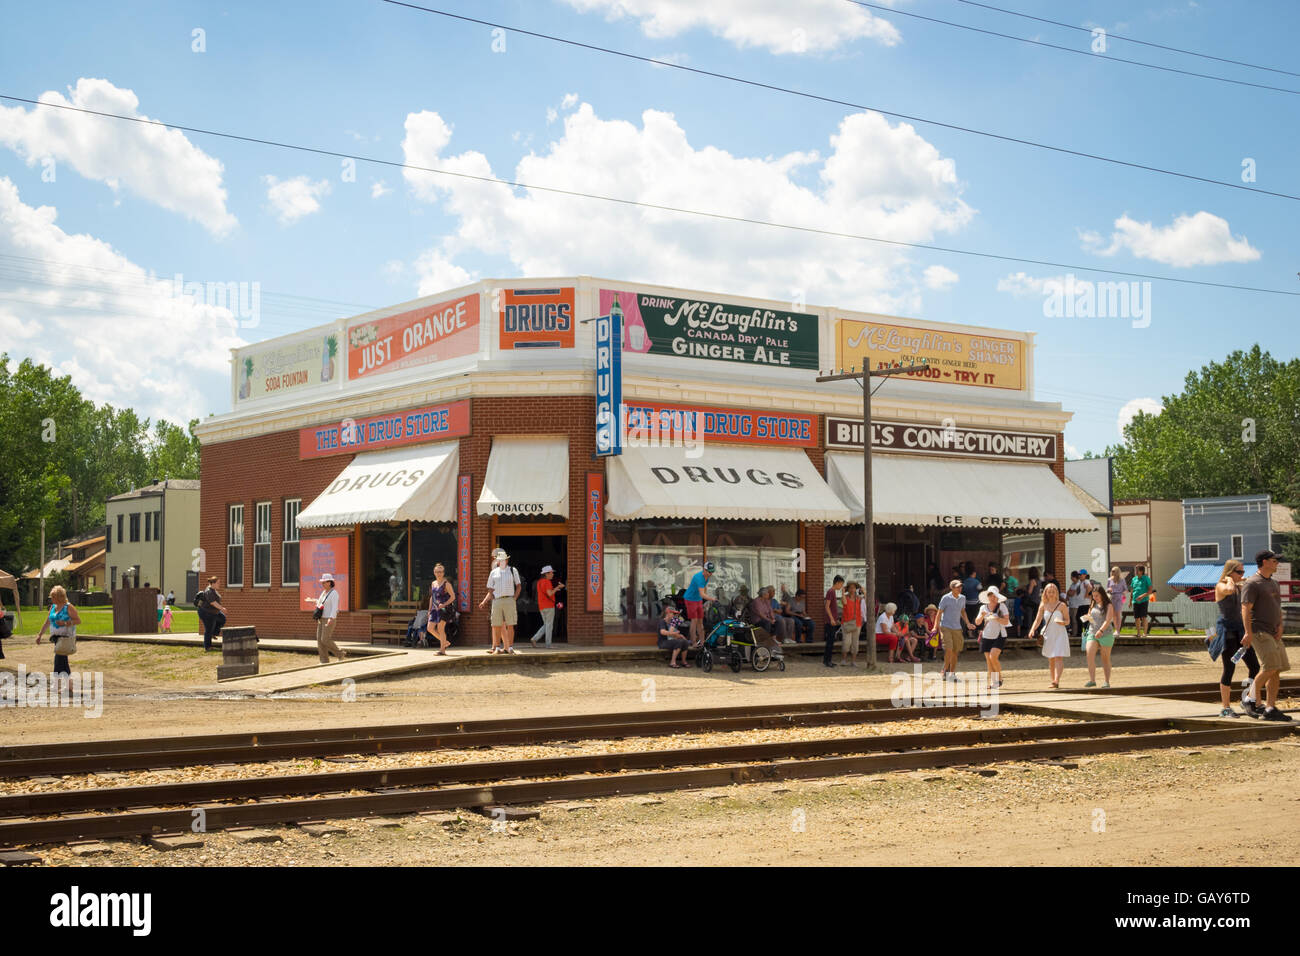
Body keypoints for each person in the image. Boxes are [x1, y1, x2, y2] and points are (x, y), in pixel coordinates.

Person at [1242, 550, 1291, 722]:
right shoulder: (1252, 583)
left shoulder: (1274, 583)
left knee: (1276, 669)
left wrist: (1280, 625)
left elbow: (1277, 607)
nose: (1277, 563)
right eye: (1274, 560)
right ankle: (1249, 698)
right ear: (1264, 562)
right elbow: (1246, 609)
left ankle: (1270, 708)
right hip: (1259, 631)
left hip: (1273, 631)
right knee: (1269, 667)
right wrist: (1248, 632)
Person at [1213, 559, 1259, 718]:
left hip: (1240, 631)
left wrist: (1242, 580)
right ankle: (1225, 708)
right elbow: (1229, 589)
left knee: (1255, 666)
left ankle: (1249, 699)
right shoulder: (1221, 586)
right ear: (1230, 572)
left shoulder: (1239, 587)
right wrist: (1231, 579)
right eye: (1239, 572)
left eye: (1243, 572)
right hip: (1227, 632)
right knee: (1229, 668)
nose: (1242, 575)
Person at [1028, 582, 1071, 689]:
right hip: (1048, 633)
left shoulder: (1062, 605)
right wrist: (1032, 630)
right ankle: (1053, 680)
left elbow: (1068, 621)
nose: (1051, 594)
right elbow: (1038, 620)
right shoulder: (1043, 605)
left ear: (1056, 593)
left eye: (1053, 592)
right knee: (1051, 658)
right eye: (1049, 592)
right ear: (1045, 593)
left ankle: (1056, 680)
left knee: (1058, 657)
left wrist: (1063, 622)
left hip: (1060, 633)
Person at [479, 551, 522, 654]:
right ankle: (497, 647)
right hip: (497, 599)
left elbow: (518, 585)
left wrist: (514, 598)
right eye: (501, 560)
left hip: (509, 599)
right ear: (498, 561)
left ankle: (510, 647)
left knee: (510, 624)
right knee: (496, 624)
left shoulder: (512, 570)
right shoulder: (493, 572)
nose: (503, 561)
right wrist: (489, 598)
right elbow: (490, 587)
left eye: (504, 559)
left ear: (507, 560)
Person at [35, 585, 81, 682]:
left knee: (59, 660)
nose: (51, 598)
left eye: (53, 596)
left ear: (60, 597)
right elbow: (47, 621)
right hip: (56, 638)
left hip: (66, 637)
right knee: (62, 661)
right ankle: (67, 684)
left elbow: (78, 620)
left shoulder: (68, 607)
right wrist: (40, 634)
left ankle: (61, 683)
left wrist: (65, 623)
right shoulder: (53, 607)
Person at [974, 587, 1010, 688]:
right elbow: (977, 622)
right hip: (986, 636)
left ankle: (999, 678)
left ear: (998, 597)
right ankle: (995, 682)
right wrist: (982, 616)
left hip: (999, 635)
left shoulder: (1002, 607)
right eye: (991, 596)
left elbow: (1006, 621)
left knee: (993, 657)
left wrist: (997, 618)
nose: (993, 598)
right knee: (989, 660)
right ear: (988, 596)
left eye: (995, 596)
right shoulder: (983, 608)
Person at [937, 580, 972, 681]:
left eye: (961, 587)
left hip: (957, 627)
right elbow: (939, 613)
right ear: (952, 588)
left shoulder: (963, 598)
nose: (960, 588)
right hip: (945, 626)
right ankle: (945, 670)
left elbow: (963, 611)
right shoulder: (945, 598)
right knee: (949, 649)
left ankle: (951, 673)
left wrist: (968, 623)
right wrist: (936, 626)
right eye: (958, 587)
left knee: (955, 652)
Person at [1082, 584, 1115, 687]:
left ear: (1102, 595)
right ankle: (1092, 680)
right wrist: (1086, 618)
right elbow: (1090, 616)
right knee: (1089, 655)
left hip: (1106, 633)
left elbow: (1108, 619)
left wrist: (1101, 630)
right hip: (1092, 632)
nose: (1094, 598)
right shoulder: (1093, 604)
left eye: (1097, 596)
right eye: (1093, 596)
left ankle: (1106, 682)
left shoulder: (1109, 605)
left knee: (1105, 659)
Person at [683, 561, 717, 649]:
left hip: (698, 600)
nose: (711, 573)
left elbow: (702, 593)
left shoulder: (707, 577)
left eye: (712, 572)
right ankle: (693, 642)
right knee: (694, 621)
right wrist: (712, 599)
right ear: (704, 570)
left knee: (700, 622)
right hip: (690, 599)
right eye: (709, 571)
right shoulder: (699, 578)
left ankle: (702, 642)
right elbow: (702, 594)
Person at [314, 573, 346, 663]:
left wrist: (331, 618)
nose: (322, 584)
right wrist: (314, 601)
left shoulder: (334, 593)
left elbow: (334, 607)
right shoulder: (324, 592)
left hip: (329, 618)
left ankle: (340, 653)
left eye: (324, 582)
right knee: (319, 640)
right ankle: (324, 660)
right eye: (322, 582)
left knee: (325, 639)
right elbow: (321, 603)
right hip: (321, 619)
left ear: (329, 582)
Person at [529, 566, 564, 648]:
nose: (552, 574)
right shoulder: (547, 582)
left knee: (547, 625)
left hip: (542, 606)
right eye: (551, 573)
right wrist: (558, 587)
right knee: (549, 625)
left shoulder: (539, 582)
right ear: (546, 574)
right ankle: (548, 644)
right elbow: (550, 593)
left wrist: (555, 589)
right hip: (549, 606)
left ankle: (535, 639)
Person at [426, 563, 456, 655]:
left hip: (445, 609)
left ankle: (442, 650)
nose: (439, 573)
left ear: (443, 573)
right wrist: (429, 609)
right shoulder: (433, 583)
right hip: (435, 609)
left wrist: (444, 604)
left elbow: (453, 597)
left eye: (441, 572)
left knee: (440, 628)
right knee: (429, 628)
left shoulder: (446, 584)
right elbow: (432, 597)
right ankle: (445, 642)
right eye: (437, 572)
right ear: (434, 572)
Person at [195, 575, 227, 652]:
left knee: (222, 619)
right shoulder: (209, 591)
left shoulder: (214, 590)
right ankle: (208, 647)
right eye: (218, 583)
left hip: (214, 612)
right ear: (212, 583)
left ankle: (214, 633)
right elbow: (213, 603)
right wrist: (222, 608)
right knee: (208, 629)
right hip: (206, 613)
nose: (219, 584)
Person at [839, 582, 864, 666]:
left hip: (857, 623)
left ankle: (853, 661)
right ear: (847, 589)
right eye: (850, 588)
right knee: (846, 642)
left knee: (855, 642)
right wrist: (842, 592)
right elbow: (844, 603)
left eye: (854, 588)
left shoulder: (859, 598)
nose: (852, 589)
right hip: (846, 622)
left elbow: (868, 601)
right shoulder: (845, 597)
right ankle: (843, 660)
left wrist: (864, 591)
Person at [823, 575, 845, 669]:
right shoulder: (831, 592)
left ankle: (827, 659)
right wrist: (831, 618)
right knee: (830, 641)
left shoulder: (833, 592)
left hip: (833, 620)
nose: (841, 586)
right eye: (841, 584)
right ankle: (828, 661)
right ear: (837, 583)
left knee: (831, 641)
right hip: (829, 621)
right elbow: (827, 606)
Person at [875, 601, 900, 665]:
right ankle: (890, 657)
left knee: (898, 637)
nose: (895, 611)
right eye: (894, 610)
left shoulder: (891, 616)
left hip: (886, 635)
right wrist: (895, 634)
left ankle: (897, 656)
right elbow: (885, 631)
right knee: (894, 638)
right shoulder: (883, 617)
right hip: (879, 635)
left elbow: (892, 627)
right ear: (891, 610)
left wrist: (897, 632)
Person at [961, 566, 983, 640]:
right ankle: (979, 632)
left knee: (969, 618)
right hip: (976, 602)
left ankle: (969, 633)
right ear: (973, 573)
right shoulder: (976, 581)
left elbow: (962, 591)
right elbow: (981, 589)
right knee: (978, 617)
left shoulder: (964, 582)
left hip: (967, 602)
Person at [1106, 567, 1128, 635]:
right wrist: (1108, 590)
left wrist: (1123, 593)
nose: (1112, 572)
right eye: (1111, 571)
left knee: (1118, 614)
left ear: (1117, 572)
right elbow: (1107, 589)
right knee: (1113, 615)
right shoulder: (1109, 580)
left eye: (1113, 571)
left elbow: (1126, 589)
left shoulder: (1122, 580)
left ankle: (1118, 630)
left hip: (1118, 597)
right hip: (1111, 597)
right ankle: (1115, 629)